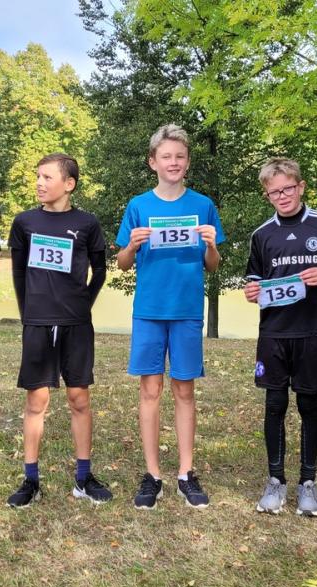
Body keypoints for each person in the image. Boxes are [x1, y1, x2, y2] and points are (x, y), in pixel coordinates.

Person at [116, 124, 225, 509]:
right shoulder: (138, 206)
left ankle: (185, 473)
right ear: (153, 162)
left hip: (187, 311)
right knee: (150, 390)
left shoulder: (203, 205)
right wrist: (131, 246)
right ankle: (152, 475)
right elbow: (123, 263)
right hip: (149, 311)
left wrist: (211, 245)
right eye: (166, 156)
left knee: (184, 390)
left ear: (187, 162)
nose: (173, 162)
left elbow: (212, 265)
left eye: (179, 156)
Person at [243, 158, 317, 516]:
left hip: (311, 329)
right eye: (274, 192)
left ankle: (308, 483)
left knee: (308, 404)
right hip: (274, 331)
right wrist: (251, 292)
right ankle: (276, 480)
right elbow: (254, 281)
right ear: (267, 195)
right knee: (275, 404)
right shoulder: (261, 235)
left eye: (288, 188)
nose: (283, 196)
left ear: (301, 187)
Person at [5, 153, 112, 508]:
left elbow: (100, 271)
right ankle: (30, 480)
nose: (39, 183)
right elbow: (18, 272)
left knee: (79, 398)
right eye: (37, 176)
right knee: (36, 401)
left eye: (47, 177)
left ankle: (83, 477)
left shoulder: (87, 223)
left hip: (76, 325)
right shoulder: (24, 222)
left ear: (69, 184)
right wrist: (27, 312)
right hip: (38, 322)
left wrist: (84, 304)